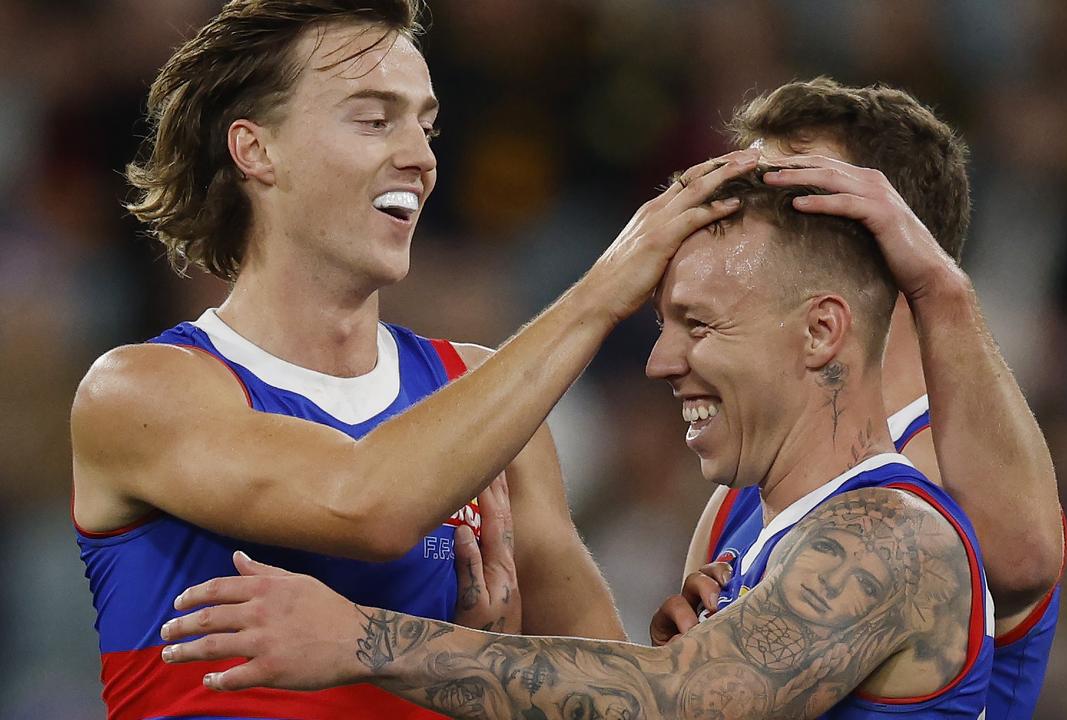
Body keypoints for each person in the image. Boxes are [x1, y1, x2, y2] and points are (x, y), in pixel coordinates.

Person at [70, 1, 755, 717]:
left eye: (425, 126)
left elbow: (619, 698)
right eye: (374, 119)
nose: (421, 157)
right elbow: (364, 503)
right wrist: (601, 291)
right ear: (256, 150)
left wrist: (478, 663)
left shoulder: (483, 394)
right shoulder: (140, 392)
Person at [161, 170, 997, 720]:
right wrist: (496, 637)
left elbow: (673, 707)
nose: (663, 361)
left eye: (699, 326)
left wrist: (362, 639)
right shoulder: (744, 536)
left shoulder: (892, 536)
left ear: (821, 331)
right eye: (664, 325)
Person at [651, 79, 1066, 720]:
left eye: (784, 192)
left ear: (885, 227)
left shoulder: (950, 467)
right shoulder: (740, 491)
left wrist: (937, 284)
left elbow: (1025, 560)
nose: (743, 211)